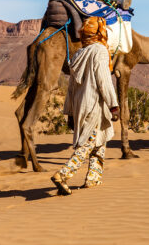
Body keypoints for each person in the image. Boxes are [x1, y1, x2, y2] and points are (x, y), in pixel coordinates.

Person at [50, 16, 120, 196]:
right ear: (99, 32)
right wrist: (113, 105)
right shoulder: (100, 51)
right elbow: (104, 80)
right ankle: (63, 174)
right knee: (88, 143)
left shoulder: (79, 54)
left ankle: (93, 179)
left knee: (99, 142)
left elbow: (71, 87)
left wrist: (70, 113)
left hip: (81, 104)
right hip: (94, 105)